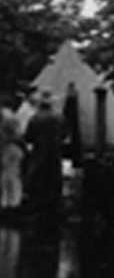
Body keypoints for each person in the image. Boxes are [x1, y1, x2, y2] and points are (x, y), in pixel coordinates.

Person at [23, 90, 66, 219]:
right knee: (54, 179)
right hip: (55, 153)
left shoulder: (35, 119)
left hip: (40, 153)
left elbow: (29, 137)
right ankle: (55, 209)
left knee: (39, 180)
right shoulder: (59, 118)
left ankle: (39, 208)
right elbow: (65, 134)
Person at [0, 100, 22, 212]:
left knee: (5, 176)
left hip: (5, 149)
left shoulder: (4, 117)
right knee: (13, 176)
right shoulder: (12, 118)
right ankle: (14, 202)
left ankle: (4, 202)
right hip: (13, 149)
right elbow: (19, 135)